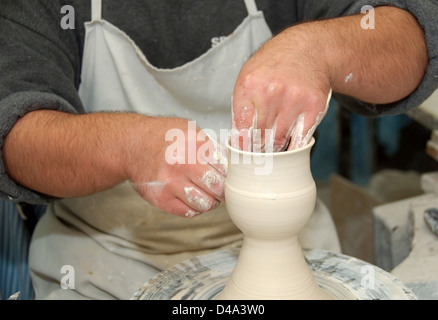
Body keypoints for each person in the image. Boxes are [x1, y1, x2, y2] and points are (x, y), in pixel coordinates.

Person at [0, 0, 436, 299]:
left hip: (297, 253)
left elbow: (412, 35)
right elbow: (15, 135)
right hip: (104, 263)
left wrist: (321, 49)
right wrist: (126, 147)